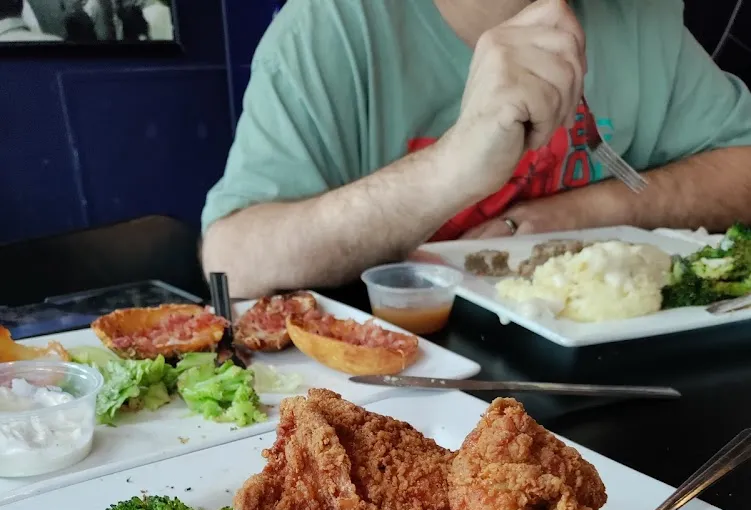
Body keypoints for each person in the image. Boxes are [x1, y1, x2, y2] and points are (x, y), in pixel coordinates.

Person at [201, 0, 751, 300]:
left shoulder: (640, 16)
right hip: (394, 405)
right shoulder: (332, 28)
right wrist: (447, 169)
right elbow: (231, 261)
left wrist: (590, 211)